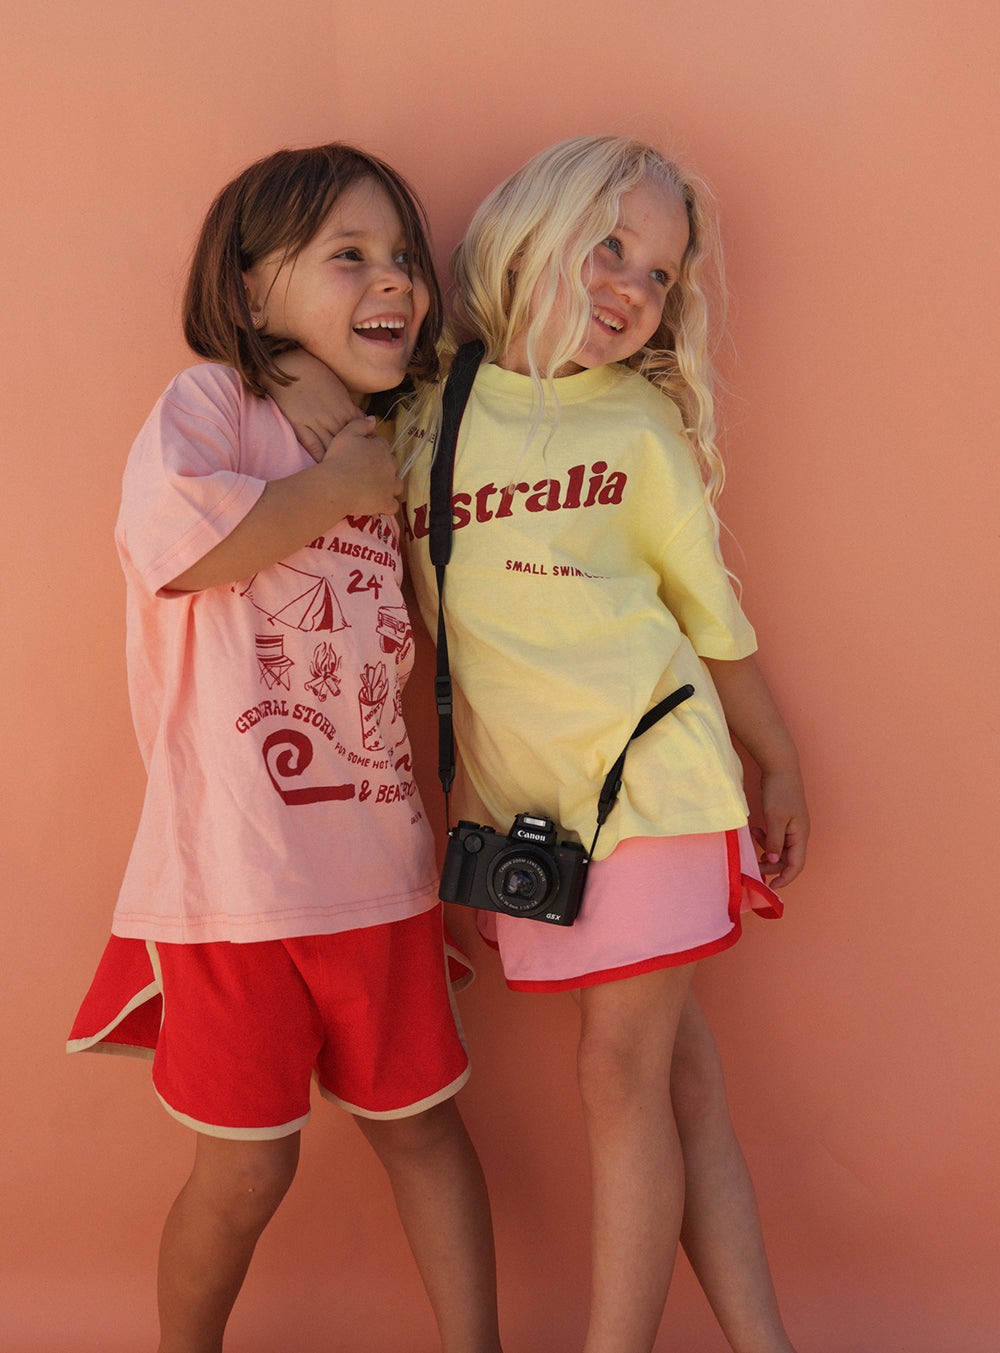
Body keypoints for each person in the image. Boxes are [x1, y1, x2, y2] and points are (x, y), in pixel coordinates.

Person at [270, 135, 809, 1353]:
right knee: (678, 1085)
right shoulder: (427, 415)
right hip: (533, 818)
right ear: (527, 236)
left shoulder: (641, 425)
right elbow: (305, 373)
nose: (631, 287)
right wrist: (298, 374)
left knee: (618, 1079)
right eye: (609, 247)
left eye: (659, 274)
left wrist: (775, 760)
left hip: (654, 784)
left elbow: (709, 617)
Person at [67, 143, 502, 1353]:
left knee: (426, 1129)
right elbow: (182, 549)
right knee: (247, 1171)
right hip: (236, 886)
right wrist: (333, 478)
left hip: (380, 875)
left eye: (404, 257)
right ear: (254, 291)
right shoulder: (211, 406)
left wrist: (356, 435)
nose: (395, 278)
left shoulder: (395, 437)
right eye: (348, 255)